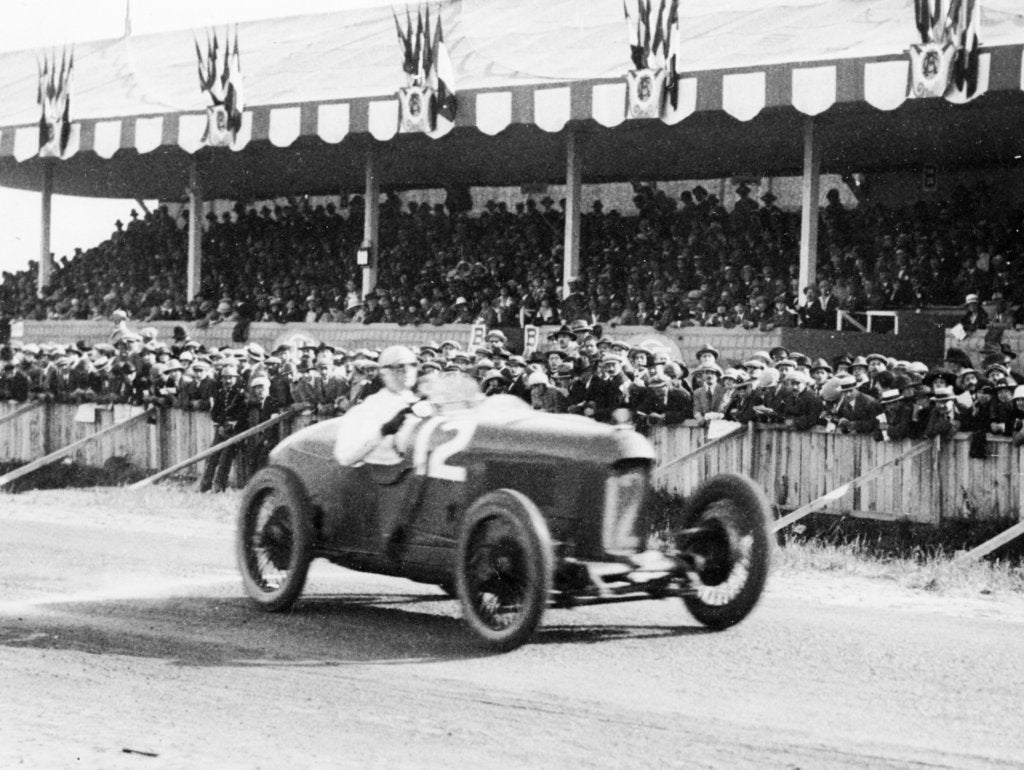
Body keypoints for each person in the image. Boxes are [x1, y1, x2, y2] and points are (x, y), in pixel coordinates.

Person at [333, 345, 422, 467]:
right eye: (400, 367)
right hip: (386, 475)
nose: (407, 371)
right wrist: (382, 432)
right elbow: (345, 457)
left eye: (412, 365)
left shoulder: (422, 402)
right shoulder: (370, 407)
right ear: (385, 372)